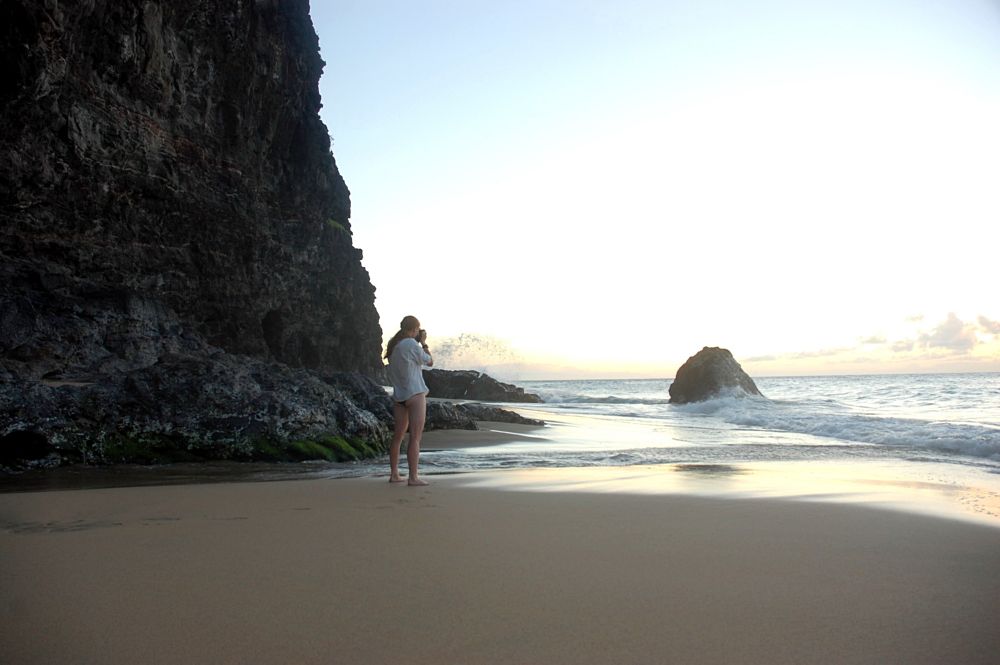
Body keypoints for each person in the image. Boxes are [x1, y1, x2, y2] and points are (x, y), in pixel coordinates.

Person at [384, 315, 433, 485]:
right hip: (415, 394)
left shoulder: (393, 347)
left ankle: (394, 474)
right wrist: (424, 343)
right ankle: (413, 477)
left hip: (399, 397)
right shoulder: (412, 344)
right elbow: (430, 361)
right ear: (414, 329)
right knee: (415, 438)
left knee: (398, 437)